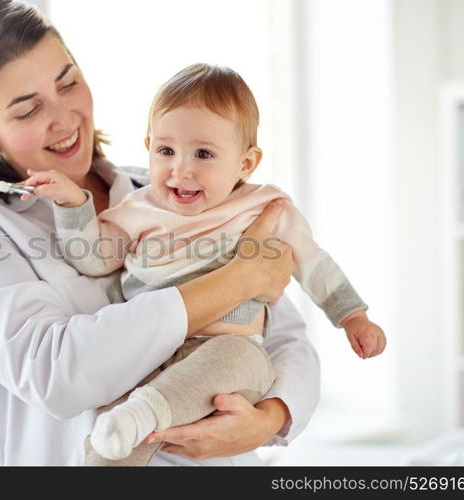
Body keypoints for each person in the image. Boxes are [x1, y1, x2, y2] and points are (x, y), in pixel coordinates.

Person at [0, 0, 320, 466]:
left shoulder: (163, 191)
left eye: (68, 82)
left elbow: (284, 334)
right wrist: (238, 279)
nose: (65, 118)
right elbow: (54, 370)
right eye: (28, 110)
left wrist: (271, 416)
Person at [23, 63, 386, 465]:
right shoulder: (139, 209)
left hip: (227, 350)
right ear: (148, 146)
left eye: (204, 154)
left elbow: (313, 264)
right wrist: (72, 205)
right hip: (149, 356)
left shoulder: (265, 207)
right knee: (114, 441)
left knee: (247, 364)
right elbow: (94, 258)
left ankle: (143, 414)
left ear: (246, 164)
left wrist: (353, 315)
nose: (182, 169)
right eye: (165, 151)